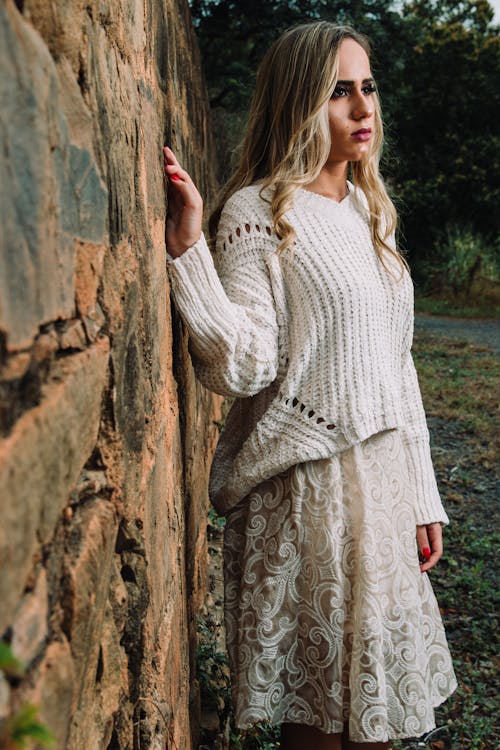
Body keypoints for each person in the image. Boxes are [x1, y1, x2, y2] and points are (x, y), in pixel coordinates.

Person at [162, 21, 457, 750]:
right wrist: (189, 252)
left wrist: (422, 495)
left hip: (383, 491)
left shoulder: (367, 211)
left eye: (368, 88)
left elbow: (399, 364)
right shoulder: (258, 214)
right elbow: (243, 366)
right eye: (338, 92)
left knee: (377, 720)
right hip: (308, 498)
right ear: (298, 104)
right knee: (322, 727)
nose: (364, 108)